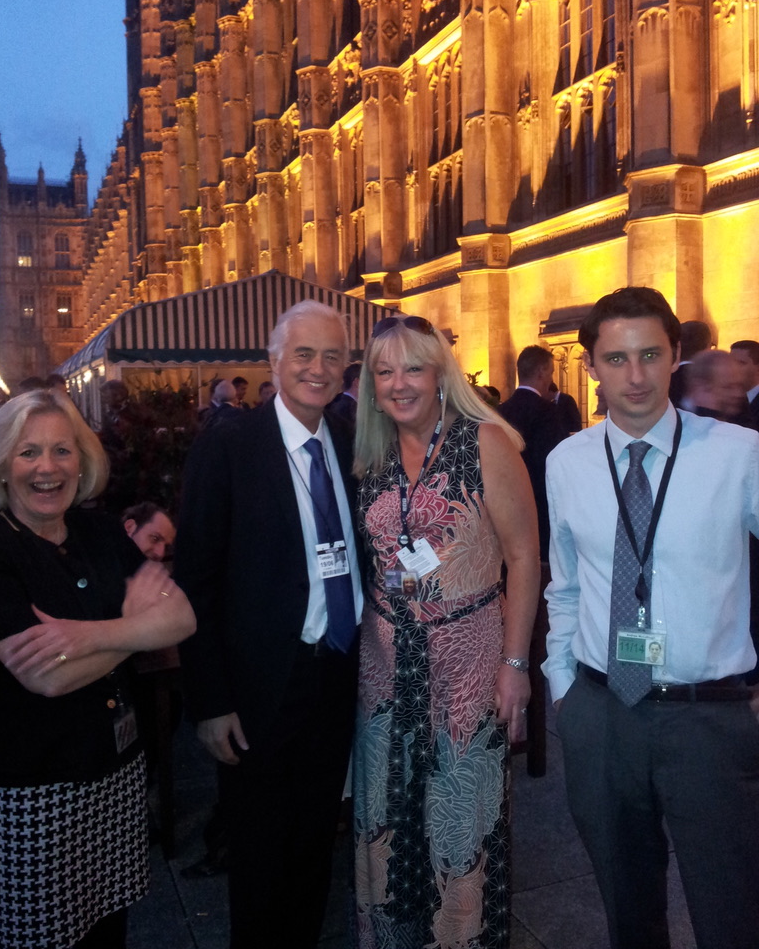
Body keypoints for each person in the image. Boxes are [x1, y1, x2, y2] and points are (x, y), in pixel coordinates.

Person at [543, 286, 759, 949]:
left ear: (676, 357)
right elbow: (566, 584)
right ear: (591, 369)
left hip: (708, 717)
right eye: (616, 359)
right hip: (604, 713)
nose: (634, 377)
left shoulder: (738, 454)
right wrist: (564, 689)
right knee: (628, 910)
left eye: (649, 355)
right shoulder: (567, 462)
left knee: (733, 910)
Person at [175, 300, 363, 949]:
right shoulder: (229, 447)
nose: (318, 368)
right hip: (257, 692)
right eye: (304, 355)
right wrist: (210, 701)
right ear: (274, 362)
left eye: (332, 356)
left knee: (315, 848)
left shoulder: (347, 438)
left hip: (335, 678)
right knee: (258, 860)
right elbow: (193, 579)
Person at [352, 315, 540, 949]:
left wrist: (516, 666)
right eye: (384, 371)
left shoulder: (483, 441)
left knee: (461, 820)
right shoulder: (369, 455)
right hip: (384, 667)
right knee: (387, 817)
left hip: (467, 657)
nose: (399, 383)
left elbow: (524, 556)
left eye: (413, 367)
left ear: (440, 374)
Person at [0, 389, 195, 949]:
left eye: (62, 450)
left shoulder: (100, 532)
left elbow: (178, 616)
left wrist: (86, 636)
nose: (48, 467)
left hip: (116, 775)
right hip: (34, 794)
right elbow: (47, 677)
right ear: (2, 465)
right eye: (28, 452)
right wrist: (136, 628)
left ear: (82, 460)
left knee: (109, 933)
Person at [498, 344, 564, 559]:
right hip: (539, 506)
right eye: (551, 372)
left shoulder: (499, 411)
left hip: (504, 504)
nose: (551, 379)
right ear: (541, 372)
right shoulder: (548, 412)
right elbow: (554, 462)